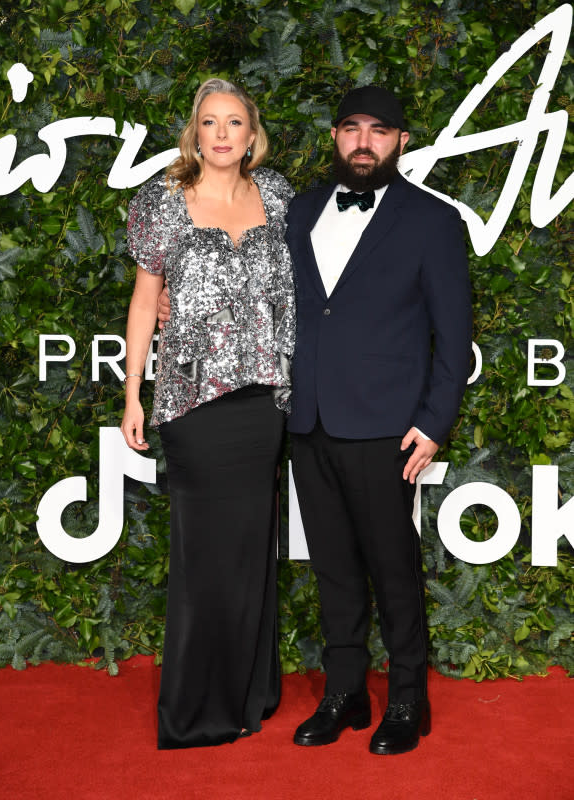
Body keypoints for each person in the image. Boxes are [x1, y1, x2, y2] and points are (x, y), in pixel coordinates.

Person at [285, 85, 472, 755]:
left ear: (401, 141)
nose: (365, 141)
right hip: (307, 419)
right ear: (335, 136)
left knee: (393, 567)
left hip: (389, 426)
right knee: (332, 566)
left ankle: (408, 699)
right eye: (352, 129)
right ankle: (345, 693)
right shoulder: (298, 211)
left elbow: (453, 336)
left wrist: (433, 420)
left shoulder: (432, 221)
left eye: (380, 131)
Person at [121, 78, 295, 749]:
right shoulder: (162, 204)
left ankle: (252, 690)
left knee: (252, 550)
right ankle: (196, 707)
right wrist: (133, 391)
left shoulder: (276, 196)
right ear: (195, 133)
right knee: (204, 556)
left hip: (265, 401)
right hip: (191, 401)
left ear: (252, 135)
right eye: (209, 123)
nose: (221, 134)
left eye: (234, 123)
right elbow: (144, 302)